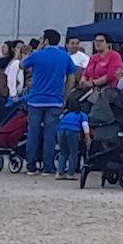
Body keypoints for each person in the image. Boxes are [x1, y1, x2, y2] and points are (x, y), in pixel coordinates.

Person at [20, 29, 78, 174]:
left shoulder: (37, 55)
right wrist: (65, 96)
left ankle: (31, 165)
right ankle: (48, 166)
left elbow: (22, 64)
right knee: (50, 134)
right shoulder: (65, 57)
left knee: (33, 133)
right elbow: (71, 79)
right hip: (55, 100)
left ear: (45, 40)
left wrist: (38, 49)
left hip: (36, 99)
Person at [55, 106, 89, 181]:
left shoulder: (66, 114)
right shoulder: (82, 114)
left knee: (63, 152)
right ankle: (70, 173)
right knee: (73, 152)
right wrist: (87, 138)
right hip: (73, 131)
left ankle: (60, 173)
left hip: (60, 130)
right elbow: (85, 125)